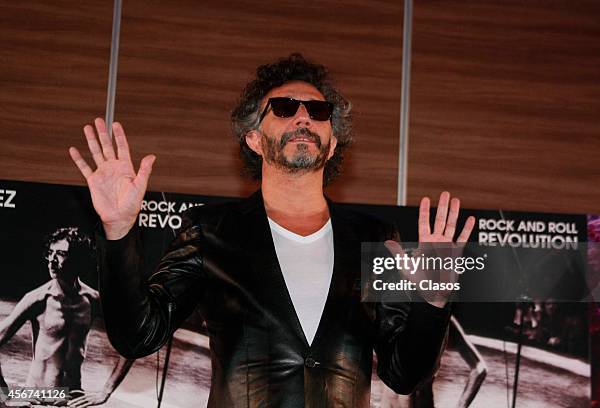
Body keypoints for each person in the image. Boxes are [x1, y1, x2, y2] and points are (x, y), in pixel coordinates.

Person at [69, 53, 475, 407]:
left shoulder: (374, 237)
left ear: (332, 143)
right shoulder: (210, 230)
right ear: (254, 139)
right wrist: (119, 232)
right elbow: (138, 336)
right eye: (284, 108)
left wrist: (433, 303)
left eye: (318, 112)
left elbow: (403, 373)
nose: (303, 117)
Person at [0, 228, 133, 407]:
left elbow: (131, 342)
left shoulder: (93, 300)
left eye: (61, 254)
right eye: (50, 253)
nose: (52, 261)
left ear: (78, 259)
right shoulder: (38, 298)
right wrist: (6, 396)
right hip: (38, 397)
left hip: (72, 397)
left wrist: (105, 392)